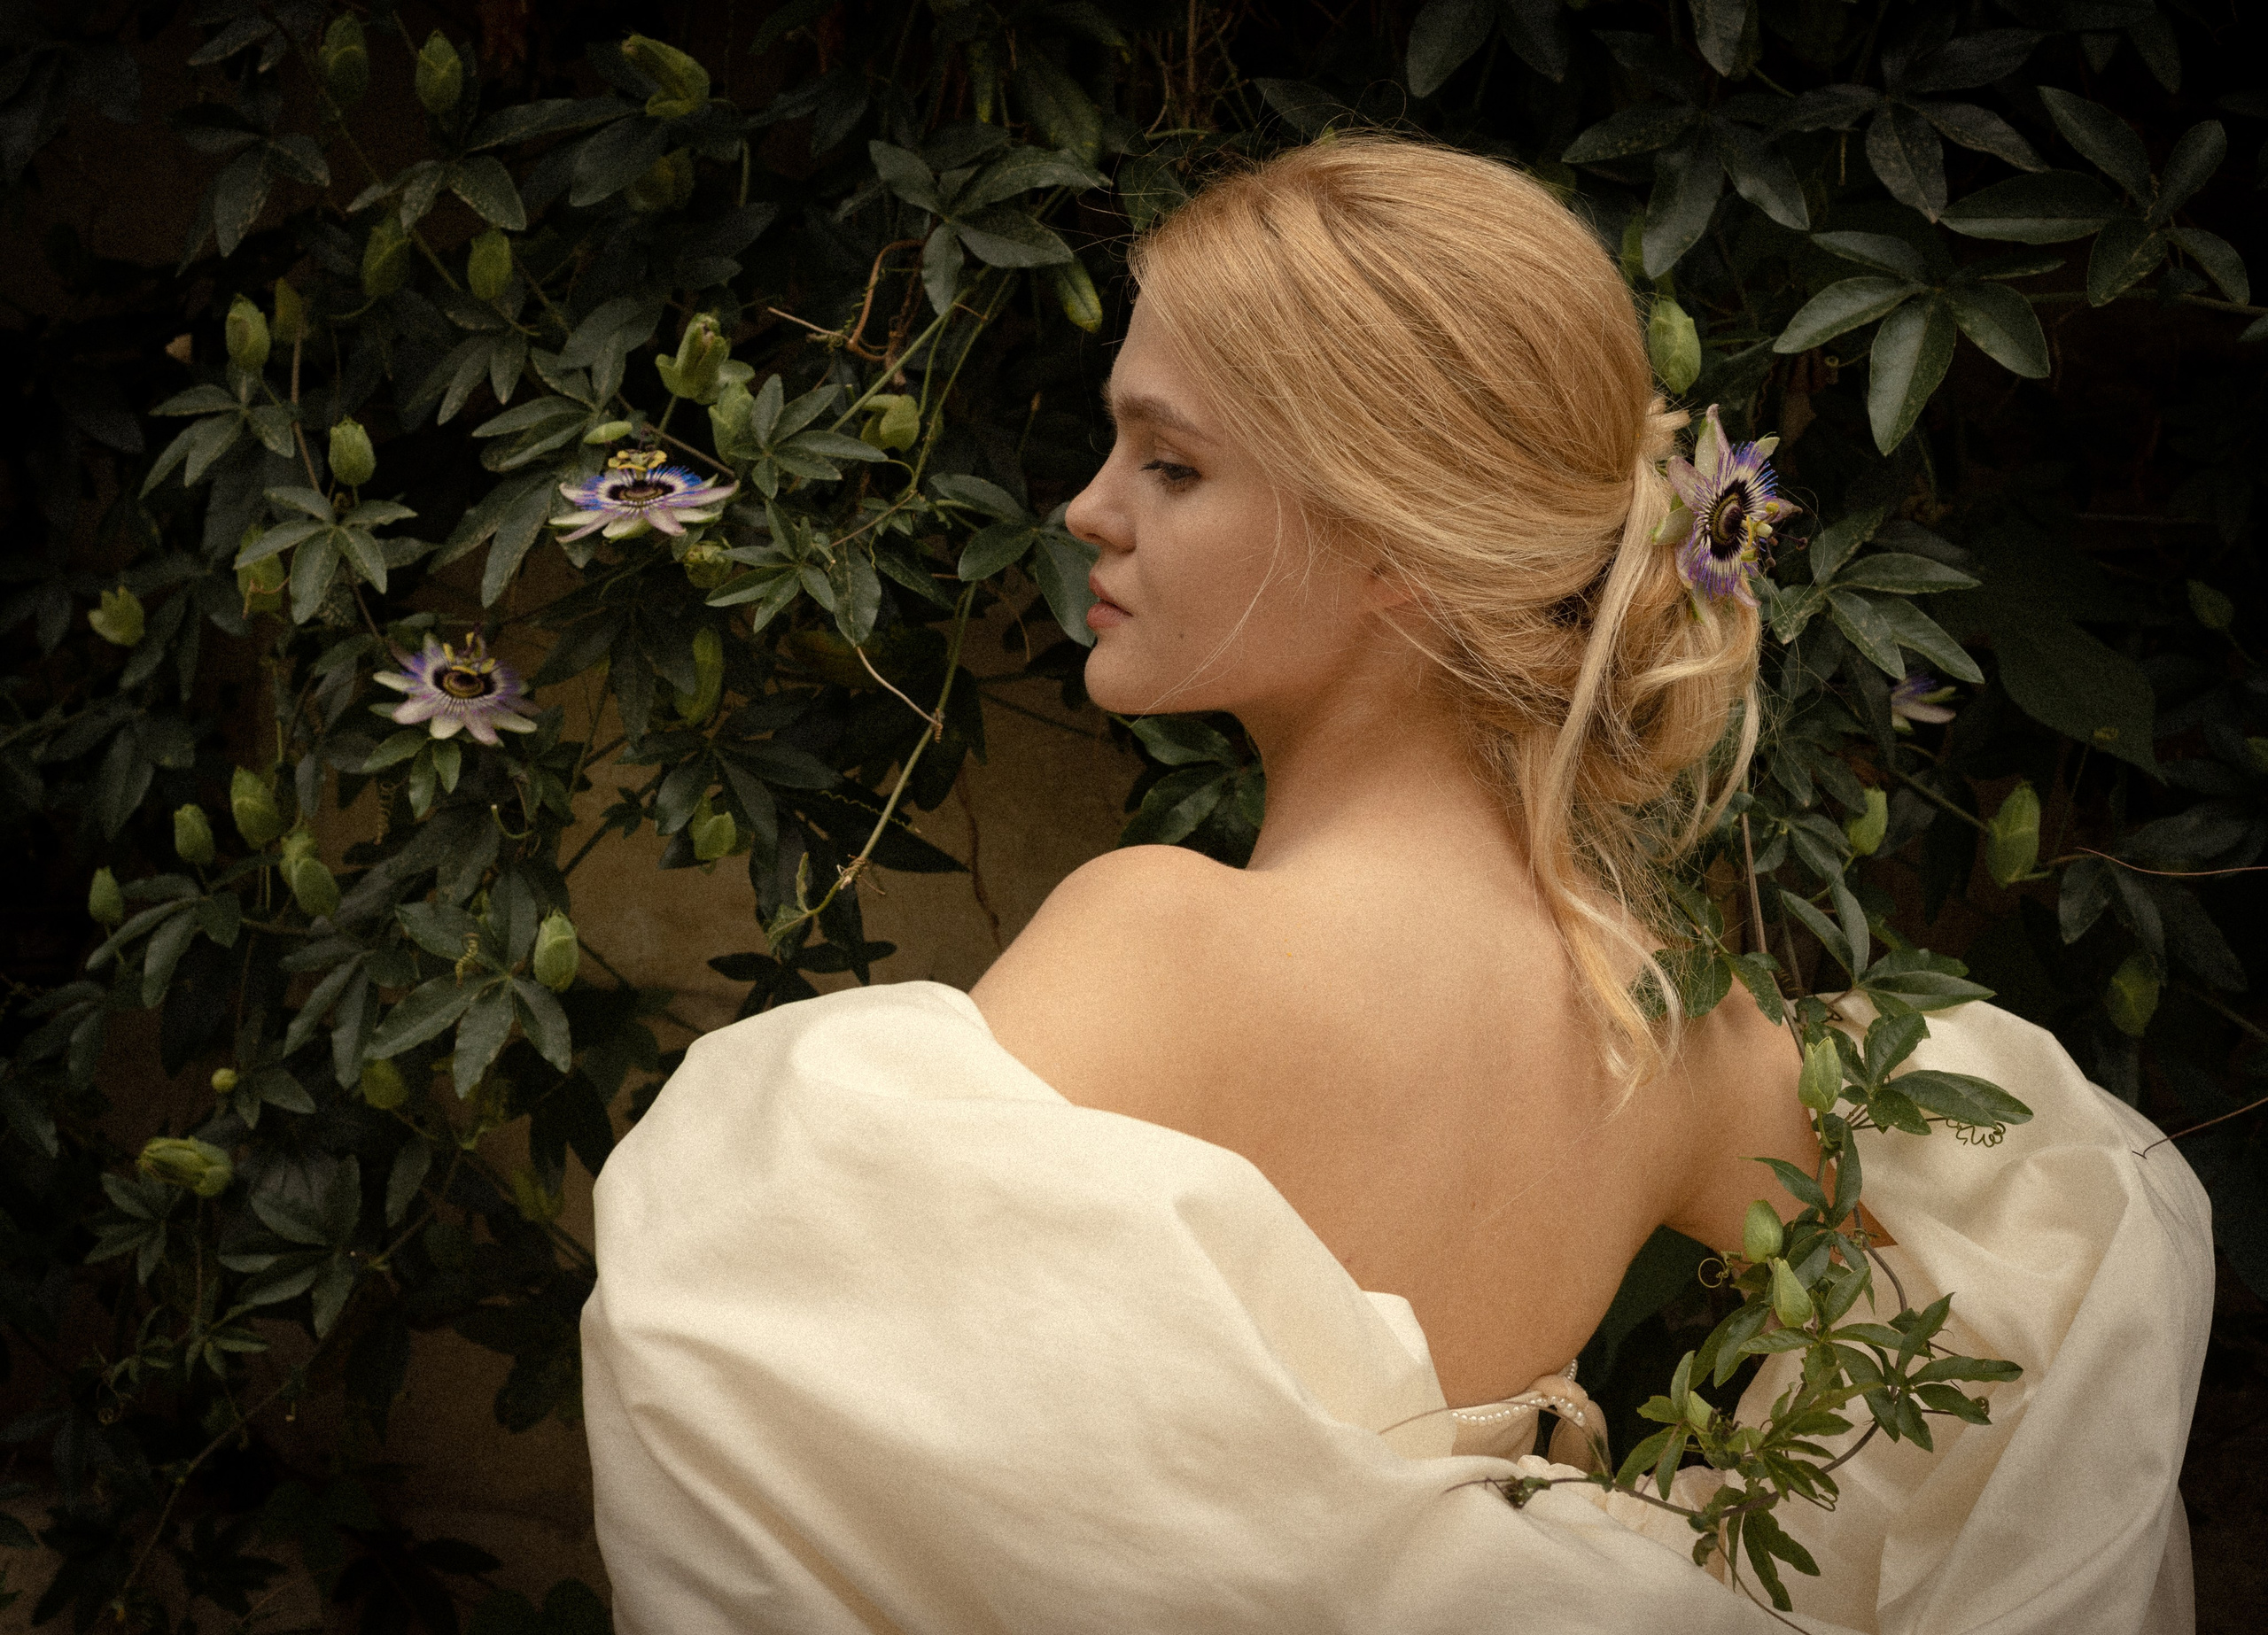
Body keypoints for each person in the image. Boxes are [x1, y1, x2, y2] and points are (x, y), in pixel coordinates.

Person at [580, 136, 2210, 1633]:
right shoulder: (1675, 1029)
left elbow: (803, 1409)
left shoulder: (1159, 944)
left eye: (1173, 464)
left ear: (1393, 541)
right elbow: (2047, 1283)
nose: (1086, 508)